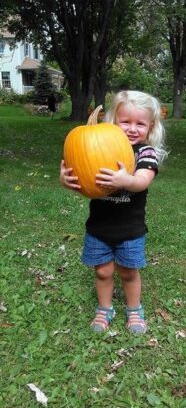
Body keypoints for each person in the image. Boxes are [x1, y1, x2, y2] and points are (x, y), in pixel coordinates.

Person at [60, 90, 167, 334]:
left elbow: (142, 181)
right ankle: (104, 308)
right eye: (125, 121)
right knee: (103, 270)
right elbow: (85, 179)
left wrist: (124, 179)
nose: (132, 128)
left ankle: (134, 310)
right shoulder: (98, 145)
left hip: (130, 230)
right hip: (99, 227)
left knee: (129, 272)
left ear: (150, 128)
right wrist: (66, 181)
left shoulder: (145, 153)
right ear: (113, 122)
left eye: (140, 123)